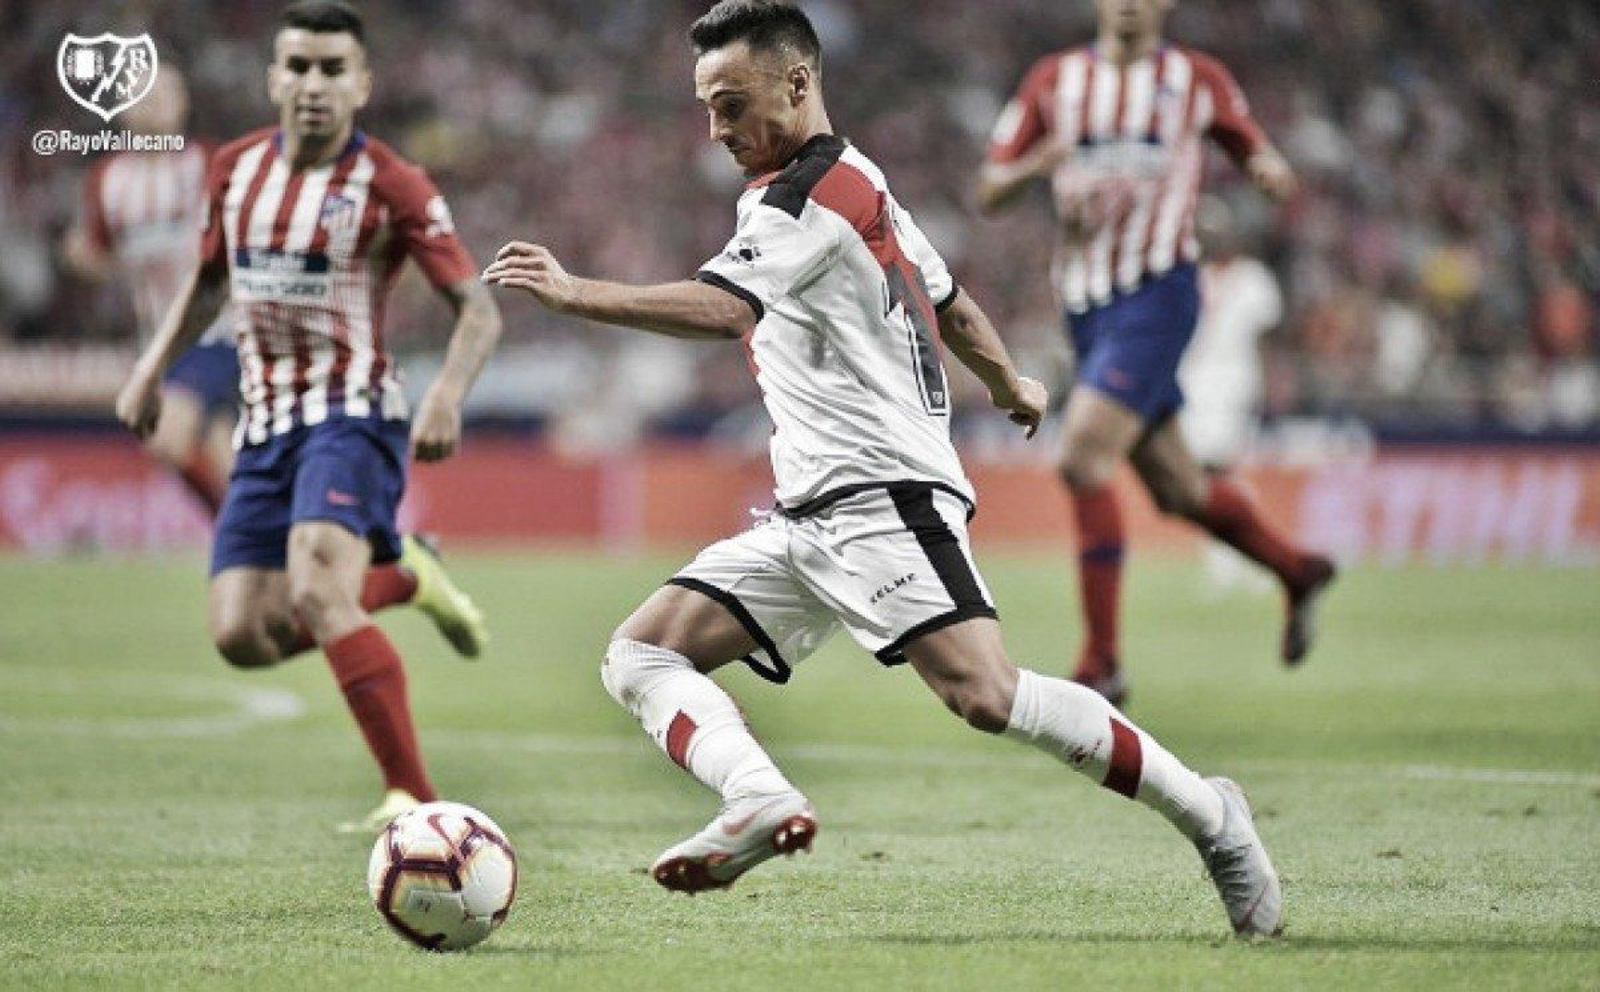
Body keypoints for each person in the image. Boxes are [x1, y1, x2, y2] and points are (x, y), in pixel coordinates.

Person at [485, 0, 1282, 937]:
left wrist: (575, 292)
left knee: (986, 695)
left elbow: (724, 310)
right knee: (642, 651)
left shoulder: (808, 196)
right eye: (706, 107)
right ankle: (756, 796)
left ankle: (1213, 817)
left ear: (798, 82)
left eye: (733, 105)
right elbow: (951, 302)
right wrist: (1010, 381)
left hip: (882, 495)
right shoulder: (863, 182)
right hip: (809, 510)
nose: (718, 130)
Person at [115, 0, 501, 832]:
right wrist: (152, 370)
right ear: (273, 78)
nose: (313, 85)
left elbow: (478, 309)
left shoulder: (392, 183)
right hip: (262, 425)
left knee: (321, 595)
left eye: (333, 70)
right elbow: (211, 282)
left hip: (351, 416)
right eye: (298, 67)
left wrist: (445, 395)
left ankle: (417, 804)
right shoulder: (236, 170)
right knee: (241, 635)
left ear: (361, 85)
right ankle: (405, 575)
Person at [978, 0, 1336, 705]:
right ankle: (1296, 569)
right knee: (1179, 490)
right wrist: (1034, 168)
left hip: (1159, 292)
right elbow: (990, 186)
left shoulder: (1195, 77)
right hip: (1084, 305)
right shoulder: (1054, 81)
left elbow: (1257, 149)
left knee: (1083, 458)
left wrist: (1268, 171)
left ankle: (1102, 659)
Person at [65, 67, 236, 516]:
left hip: (218, 329)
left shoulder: (209, 164)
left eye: (167, 92)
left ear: (184, 103)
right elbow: (98, 254)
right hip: (158, 341)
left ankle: (239, 538)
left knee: (166, 437)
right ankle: (252, 542)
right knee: (229, 467)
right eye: (143, 93)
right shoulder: (108, 179)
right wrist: (82, 257)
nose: (156, 101)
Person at [1181, 197, 1284, 592]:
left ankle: (1239, 557)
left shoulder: (1253, 279)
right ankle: (1247, 554)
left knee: (1219, 469)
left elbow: (1267, 337)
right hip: (1194, 383)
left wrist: (1275, 380)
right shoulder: (1194, 277)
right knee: (1210, 474)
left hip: (1234, 381)